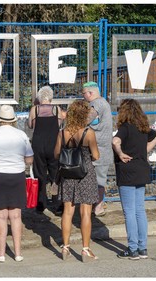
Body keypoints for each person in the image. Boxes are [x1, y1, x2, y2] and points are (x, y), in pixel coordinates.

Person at [0, 105, 34, 263]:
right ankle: (18, 253)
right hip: (17, 176)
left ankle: (1, 253)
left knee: (1, 217)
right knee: (16, 216)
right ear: (13, 120)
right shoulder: (21, 135)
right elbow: (29, 158)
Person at [112, 99, 156, 260]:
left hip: (127, 172)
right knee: (140, 210)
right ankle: (142, 248)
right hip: (142, 170)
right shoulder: (144, 128)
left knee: (129, 212)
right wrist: (145, 150)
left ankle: (132, 249)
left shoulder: (125, 128)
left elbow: (115, 141)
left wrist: (119, 153)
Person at [54, 100, 100, 262]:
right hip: (85, 173)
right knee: (85, 212)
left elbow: (56, 154)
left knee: (68, 211)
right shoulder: (89, 132)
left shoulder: (62, 132)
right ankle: (85, 249)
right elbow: (96, 156)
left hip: (67, 173)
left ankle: (65, 247)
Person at [27, 86, 65, 214]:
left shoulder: (34, 110)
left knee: (39, 173)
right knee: (55, 174)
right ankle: (57, 203)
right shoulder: (56, 109)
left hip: (38, 144)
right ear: (51, 97)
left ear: (39, 97)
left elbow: (30, 125)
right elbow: (59, 125)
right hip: (54, 144)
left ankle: (40, 203)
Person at [82, 81, 113, 217]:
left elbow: (86, 119)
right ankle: (97, 205)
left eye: (84, 94)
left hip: (99, 149)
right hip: (101, 148)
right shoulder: (103, 103)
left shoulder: (97, 104)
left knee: (99, 179)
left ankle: (97, 207)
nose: (83, 97)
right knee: (99, 179)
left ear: (90, 93)